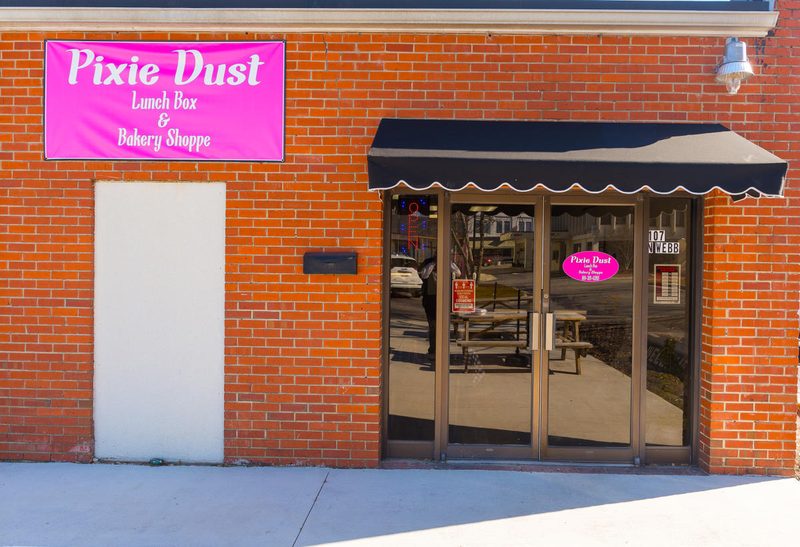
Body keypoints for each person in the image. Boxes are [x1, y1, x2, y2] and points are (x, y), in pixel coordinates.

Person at [419, 256, 461, 361]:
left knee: (444, 327)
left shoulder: (449, 263)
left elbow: (458, 273)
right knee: (433, 327)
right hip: (430, 300)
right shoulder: (428, 263)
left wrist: (447, 262)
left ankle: (443, 351)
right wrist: (433, 264)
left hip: (445, 300)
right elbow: (424, 275)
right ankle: (433, 351)